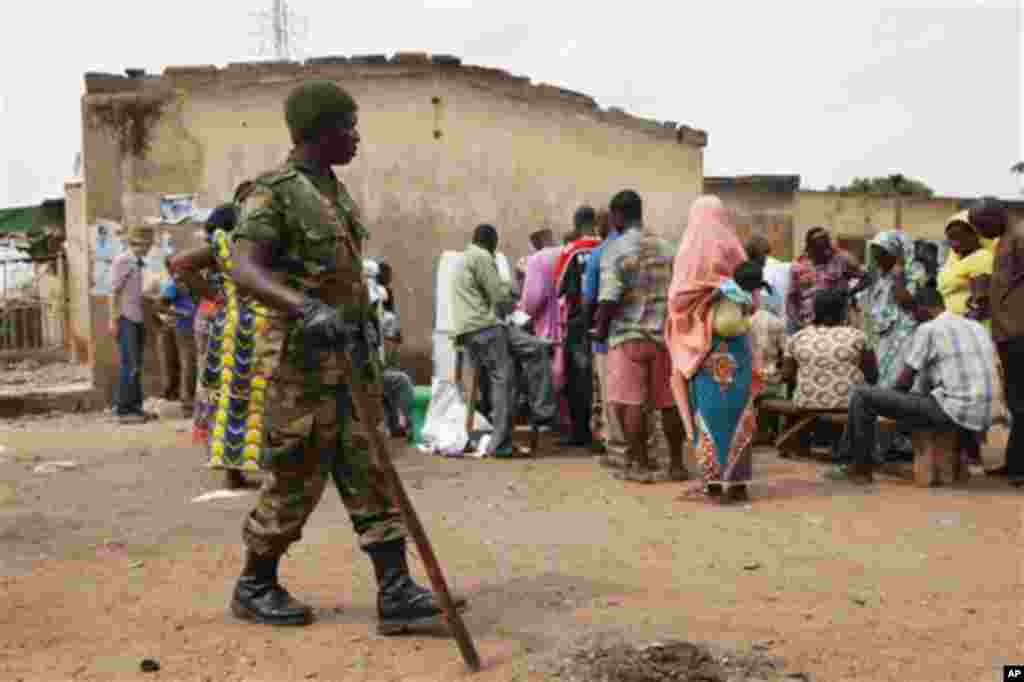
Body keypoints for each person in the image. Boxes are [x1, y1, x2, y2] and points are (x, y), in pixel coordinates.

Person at [205, 81, 466, 632]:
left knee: (370, 470)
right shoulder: (272, 192)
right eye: (347, 125)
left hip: (349, 363)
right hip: (301, 367)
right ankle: (255, 585)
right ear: (317, 132)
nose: (356, 136)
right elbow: (245, 268)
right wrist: (304, 309)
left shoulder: (334, 193)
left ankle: (395, 592)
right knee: (295, 478)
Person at [834, 287, 999, 484]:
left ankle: (859, 468)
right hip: (989, 412)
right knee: (919, 401)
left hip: (954, 411)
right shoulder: (976, 326)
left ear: (923, 308)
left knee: (862, 395)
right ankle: (853, 460)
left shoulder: (929, 329)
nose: (913, 318)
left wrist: (888, 403)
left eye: (914, 312)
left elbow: (904, 382)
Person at [665, 195, 757, 502]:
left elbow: (677, 301)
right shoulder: (735, 249)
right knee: (739, 411)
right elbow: (754, 299)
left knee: (708, 410)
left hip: (702, 345)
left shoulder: (688, 253)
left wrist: (705, 301)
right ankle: (739, 482)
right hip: (737, 347)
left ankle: (712, 483)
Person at [594, 190, 687, 483]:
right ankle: (676, 464)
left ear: (617, 216)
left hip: (627, 335)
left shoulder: (616, 249)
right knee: (669, 402)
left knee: (630, 402)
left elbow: (609, 296)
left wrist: (599, 328)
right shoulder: (668, 248)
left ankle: (640, 466)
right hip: (664, 337)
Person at [452, 223, 557, 456]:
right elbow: (498, 297)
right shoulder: (481, 257)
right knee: (505, 379)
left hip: (479, 328)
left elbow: (496, 293)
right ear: (492, 242)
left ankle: (542, 409)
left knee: (536, 348)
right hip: (486, 328)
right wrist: (515, 302)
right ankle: (501, 444)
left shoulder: (464, 259)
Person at [169, 203, 248, 490]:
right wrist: (217, 295)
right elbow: (180, 264)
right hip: (227, 327)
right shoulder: (223, 246)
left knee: (220, 392)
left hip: (219, 323)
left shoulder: (225, 247)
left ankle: (231, 465)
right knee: (230, 394)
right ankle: (231, 468)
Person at [969, 197, 1023, 484]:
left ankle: (1019, 467)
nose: (978, 232)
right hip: (1007, 333)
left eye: (981, 225)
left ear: (998, 215)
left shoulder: (1020, 237)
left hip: (1019, 333)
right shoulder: (1004, 241)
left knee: (1021, 402)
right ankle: (1015, 463)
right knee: (1016, 402)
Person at [554, 206, 602, 448]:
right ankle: (604, 435)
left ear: (575, 223)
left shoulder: (571, 251)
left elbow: (559, 287)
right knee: (602, 380)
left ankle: (581, 433)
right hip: (606, 320)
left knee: (578, 379)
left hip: (579, 322)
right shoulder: (607, 246)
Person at [863, 230, 926, 387]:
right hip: (885, 335)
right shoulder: (881, 276)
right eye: (875, 252)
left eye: (882, 252)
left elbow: (906, 301)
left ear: (895, 253)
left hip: (905, 334)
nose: (877, 257)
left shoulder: (913, 272)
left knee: (902, 377)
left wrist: (898, 276)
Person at [109, 225, 156, 424]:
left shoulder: (136, 262)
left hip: (136, 317)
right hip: (126, 317)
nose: (149, 248)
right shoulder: (124, 261)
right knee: (129, 364)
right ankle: (124, 409)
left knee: (136, 364)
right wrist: (113, 320)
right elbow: (113, 292)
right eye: (147, 244)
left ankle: (135, 407)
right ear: (139, 243)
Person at [787, 227, 862, 332]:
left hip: (839, 324)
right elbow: (791, 298)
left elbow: (866, 277)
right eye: (819, 248)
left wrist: (851, 293)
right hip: (808, 325)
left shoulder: (842, 260)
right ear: (810, 248)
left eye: (826, 247)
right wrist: (796, 323)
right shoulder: (798, 266)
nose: (825, 252)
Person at [938, 210, 995, 326]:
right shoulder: (955, 259)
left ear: (975, 235)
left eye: (959, 238)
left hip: (973, 329)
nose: (954, 244)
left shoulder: (981, 257)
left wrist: (960, 327)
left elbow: (982, 305)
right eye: (950, 238)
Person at [157, 271, 198, 415]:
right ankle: (188, 403)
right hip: (184, 328)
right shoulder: (173, 284)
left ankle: (190, 401)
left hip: (195, 327)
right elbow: (159, 306)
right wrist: (181, 314)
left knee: (191, 363)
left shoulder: (192, 281)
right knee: (188, 363)